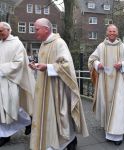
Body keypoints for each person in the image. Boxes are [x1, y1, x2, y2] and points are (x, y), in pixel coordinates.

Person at [29, 18, 89, 150]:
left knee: (61, 117)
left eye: (37, 29)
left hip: (57, 88)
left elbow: (66, 65)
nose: (35, 32)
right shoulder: (44, 44)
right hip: (44, 88)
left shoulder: (59, 43)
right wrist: (37, 66)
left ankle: (68, 141)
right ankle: (52, 141)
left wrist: (48, 67)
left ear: (46, 29)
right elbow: (45, 64)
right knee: (50, 117)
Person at [88, 24, 124, 145]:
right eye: (110, 31)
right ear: (107, 33)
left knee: (118, 109)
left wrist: (123, 64)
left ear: (117, 33)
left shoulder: (123, 47)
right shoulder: (101, 46)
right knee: (107, 107)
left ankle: (118, 136)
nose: (112, 33)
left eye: (114, 31)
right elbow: (91, 59)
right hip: (104, 82)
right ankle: (108, 134)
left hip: (119, 82)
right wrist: (97, 64)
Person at [0, 22, 35, 146]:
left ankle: (26, 121)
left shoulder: (17, 44)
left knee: (10, 107)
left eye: (1, 31)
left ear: (9, 30)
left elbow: (19, 63)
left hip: (10, 80)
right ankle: (4, 134)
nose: (0, 33)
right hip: (0, 81)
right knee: (2, 109)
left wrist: (2, 69)